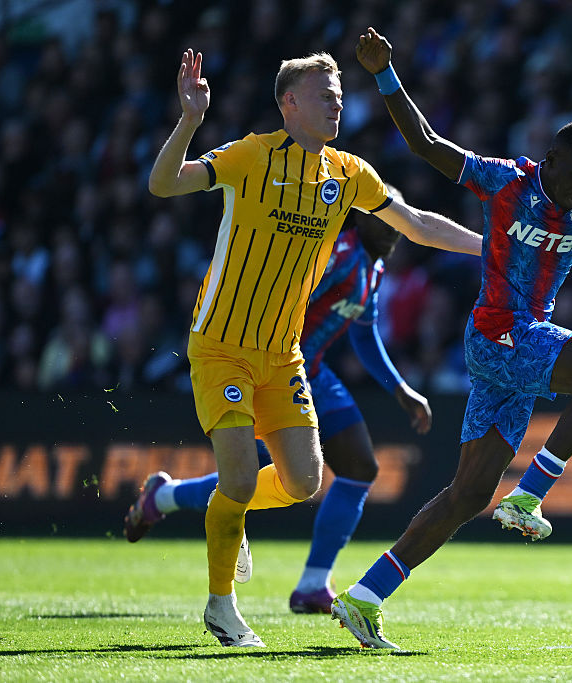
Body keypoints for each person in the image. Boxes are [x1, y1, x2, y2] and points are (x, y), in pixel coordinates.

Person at [330, 28, 572, 649]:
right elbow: (427, 145)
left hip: (512, 348)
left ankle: (364, 597)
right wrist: (384, 76)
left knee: (467, 493)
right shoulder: (506, 180)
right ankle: (532, 493)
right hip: (498, 336)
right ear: (550, 160)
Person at [146, 48, 481, 648]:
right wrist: (190, 121)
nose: (337, 101)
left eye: (340, 92)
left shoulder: (348, 173)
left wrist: (492, 248)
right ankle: (221, 606)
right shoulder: (251, 154)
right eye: (324, 92)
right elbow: (164, 183)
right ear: (289, 103)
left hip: (283, 354)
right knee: (242, 480)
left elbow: (415, 222)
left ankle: (230, 510)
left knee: (304, 483)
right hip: (221, 346)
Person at [123, 186, 437, 616]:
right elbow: (285, 293)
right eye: (387, 217)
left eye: (401, 218)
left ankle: (312, 585)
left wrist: (399, 388)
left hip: (316, 374)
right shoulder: (337, 254)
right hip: (273, 370)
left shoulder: (374, 267)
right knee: (244, 480)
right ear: (361, 218)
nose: (397, 228)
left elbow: (364, 333)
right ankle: (164, 498)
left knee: (360, 467)